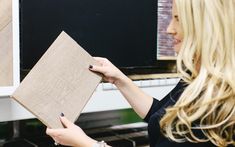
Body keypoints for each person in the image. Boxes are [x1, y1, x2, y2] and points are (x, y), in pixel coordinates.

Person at [46, 0, 235, 146]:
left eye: (177, 19)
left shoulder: (215, 103)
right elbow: (163, 117)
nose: (169, 29)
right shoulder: (196, 79)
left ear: (203, 27)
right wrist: (119, 79)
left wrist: (87, 144)